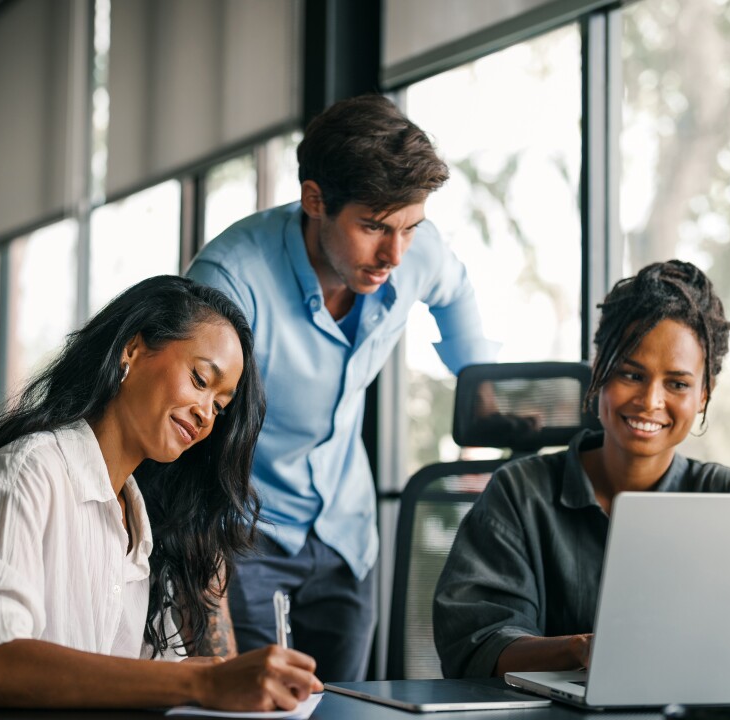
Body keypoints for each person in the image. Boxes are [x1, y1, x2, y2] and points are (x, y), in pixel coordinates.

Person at [186, 94, 498, 681]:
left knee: (344, 707)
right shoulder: (230, 279)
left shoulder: (410, 251)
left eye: (410, 227)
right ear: (315, 200)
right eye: (374, 227)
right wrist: (206, 590)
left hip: (347, 535)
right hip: (246, 535)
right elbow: (192, 438)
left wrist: (476, 390)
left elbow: (455, 291)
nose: (393, 254)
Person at [0, 276, 322, 718]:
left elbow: (144, 682)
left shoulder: (140, 518)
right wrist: (200, 682)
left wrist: (214, 678)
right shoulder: (28, 473)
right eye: (200, 379)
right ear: (132, 349)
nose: (207, 415)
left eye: (220, 407)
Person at [432, 259, 730, 679]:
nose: (650, 401)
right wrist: (583, 651)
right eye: (631, 373)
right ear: (599, 372)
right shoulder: (519, 494)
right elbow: (475, 645)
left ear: (703, 394)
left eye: (677, 384)